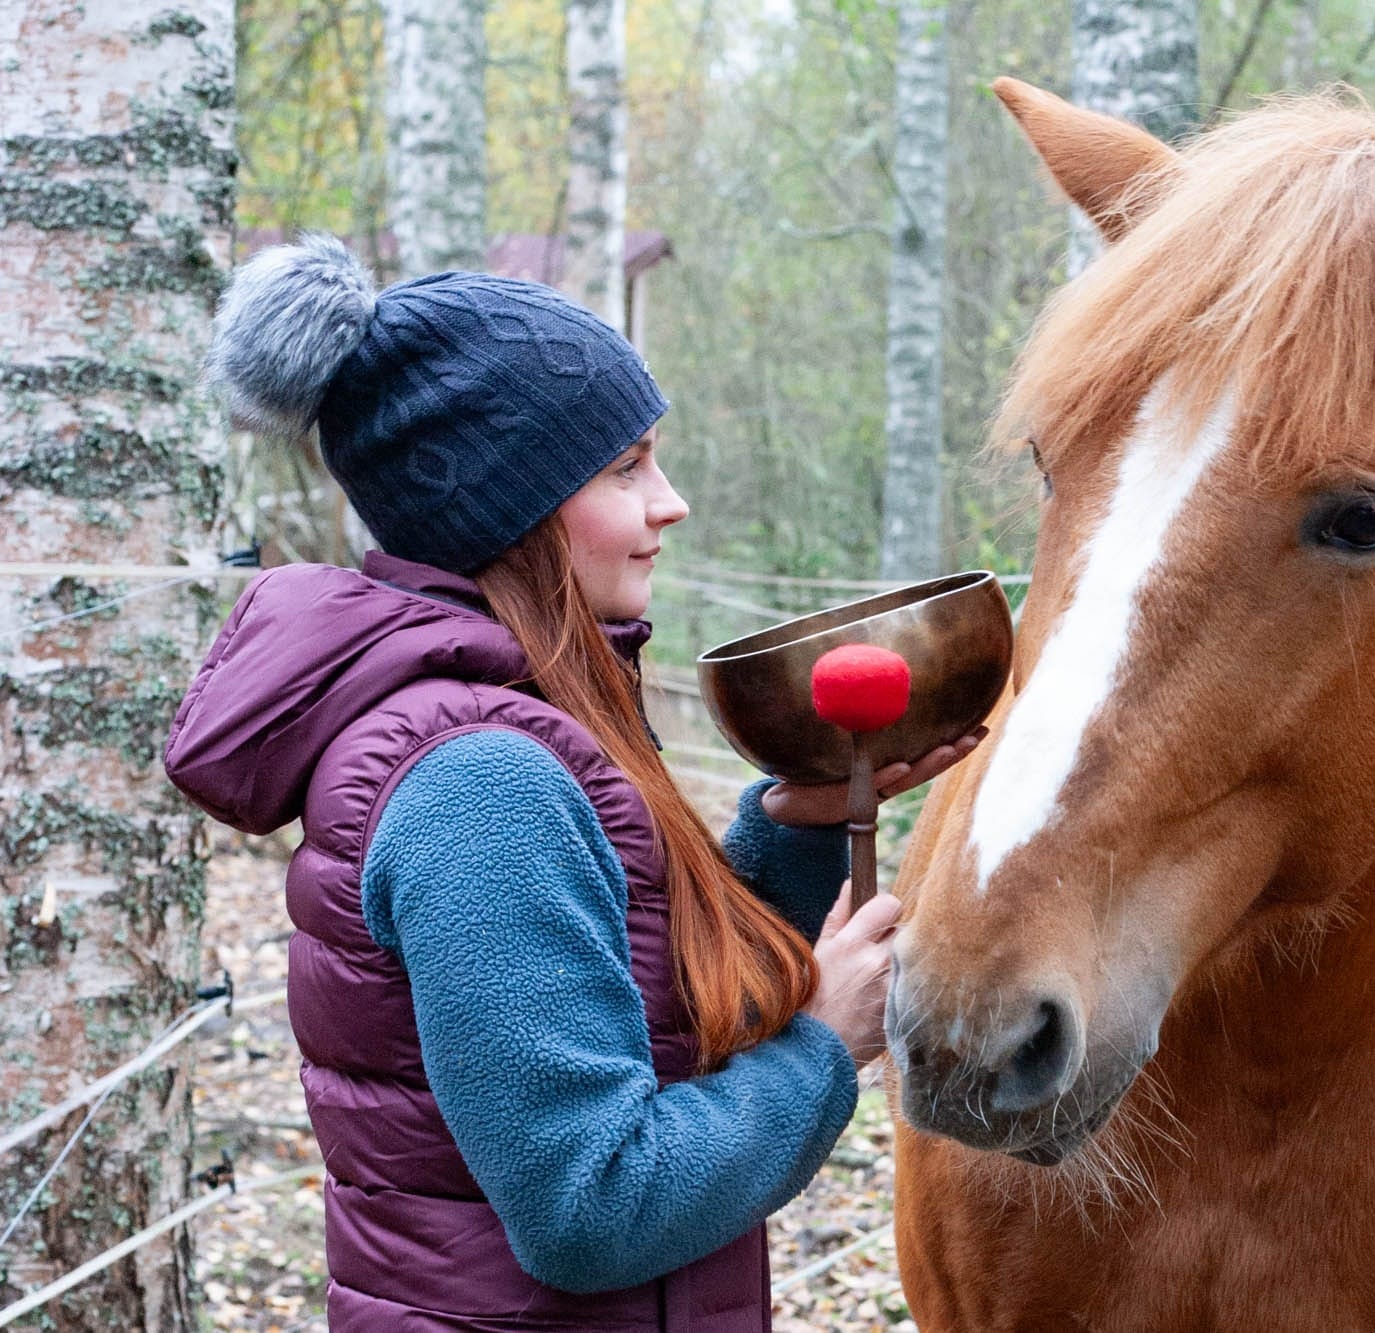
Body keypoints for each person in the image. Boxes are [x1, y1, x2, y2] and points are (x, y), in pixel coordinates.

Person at [163, 235, 979, 1331]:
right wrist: (825, 1043)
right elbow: (592, 1203)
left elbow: (640, 1007)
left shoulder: (507, 720)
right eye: (624, 467)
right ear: (510, 505)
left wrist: (795, 824)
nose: (671, 500)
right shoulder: (481, 783)